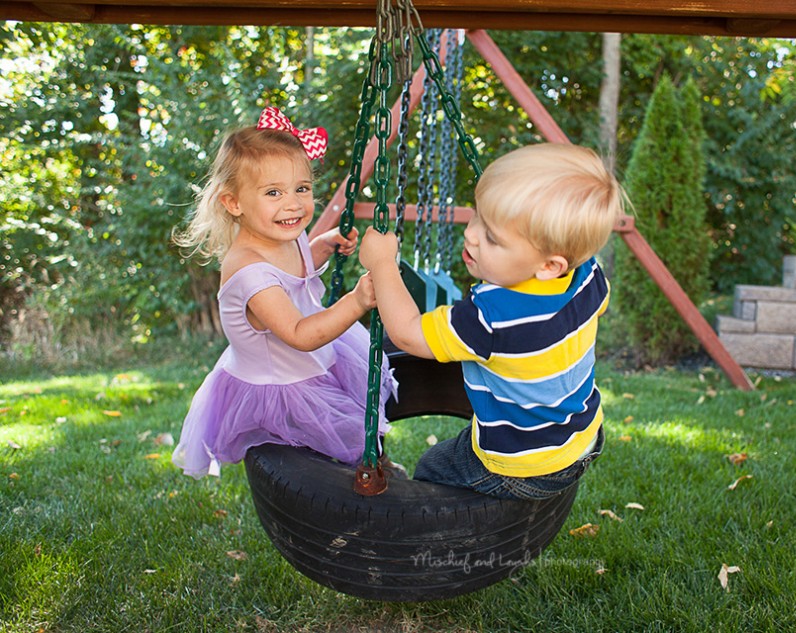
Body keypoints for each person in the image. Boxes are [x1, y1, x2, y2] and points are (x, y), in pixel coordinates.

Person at [359, 143, 623, 499]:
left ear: (549, 266)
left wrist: (382, 265)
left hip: (523, 462)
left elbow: (407, 335)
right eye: (478, 215)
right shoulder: (589, 277)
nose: (471, 234)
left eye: (493, 238)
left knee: (435, 466)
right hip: (580, 434)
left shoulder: (491, 315)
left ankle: (439, 540)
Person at [171, 106, 398, 479]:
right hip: (279, 385)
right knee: (336, 444)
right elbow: (299, 335)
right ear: (234, 202)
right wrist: (356, 301)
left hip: (311, 362)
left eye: (302, 189)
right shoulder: (248, 273)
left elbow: (294, 271)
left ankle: (371, 470)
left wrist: (323, 245)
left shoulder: (281, 234)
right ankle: (354, 491)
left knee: (357, 417)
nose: (293, 203)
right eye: (273, 192)